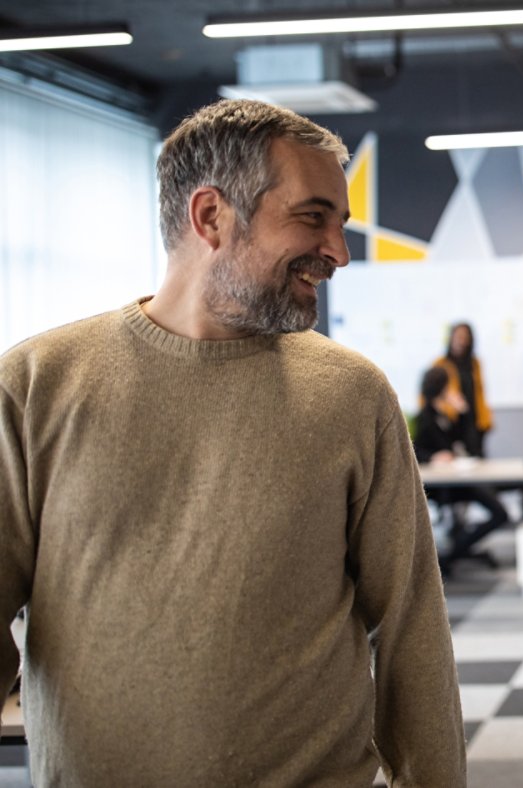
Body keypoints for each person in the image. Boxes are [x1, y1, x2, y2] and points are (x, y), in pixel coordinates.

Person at [0, 99, 466, 785]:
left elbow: (413, 636)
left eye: (339, 224)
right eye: (313, 217)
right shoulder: (37, 384)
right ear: (211, 216)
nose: (337, 250)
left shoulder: (351, 396)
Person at [414, 365, 512, 573]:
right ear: (441, 388)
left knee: (499, 512)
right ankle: (450, 556)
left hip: (459, 480)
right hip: (441, 486)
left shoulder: (447, 416)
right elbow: (414, 451)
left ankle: (455, 550)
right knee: (499, 512)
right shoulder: (423, 417)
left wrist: (464, 412)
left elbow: (470, 443)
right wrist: (433, 457)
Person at [430, 321, 492, 458]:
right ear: (451, 338)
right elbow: (431, 393)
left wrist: (486, 418)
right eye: (458, 337)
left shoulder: (474, 363)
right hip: (452, 420)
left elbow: (480, 392)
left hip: (472, 420)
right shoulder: (441, 363)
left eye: (465, 337)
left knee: (476, 457)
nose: (462, 341)